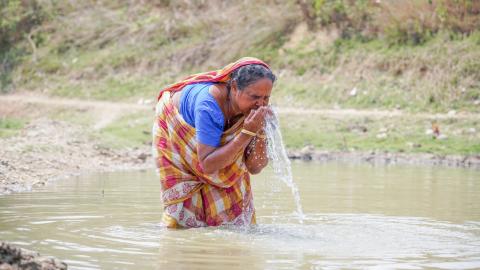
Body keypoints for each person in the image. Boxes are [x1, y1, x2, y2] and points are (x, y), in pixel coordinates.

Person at [152, 57, 276, 228]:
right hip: (176, 129)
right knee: (181, 218)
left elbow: (255, 167)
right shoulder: (208, 106)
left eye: (266, 98)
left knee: (236, 221)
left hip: (217, 138)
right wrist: (247, 133)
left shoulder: (253, 110)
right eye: (254, 97)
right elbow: (208, 165)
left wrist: (260, 132)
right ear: (234, 88)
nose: (260, 104)